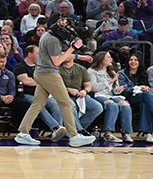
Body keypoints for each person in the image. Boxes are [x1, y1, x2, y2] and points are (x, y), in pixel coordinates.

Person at [14, 18, 97, 147]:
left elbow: (57, 55)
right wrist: (72, 49)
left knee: (37, 104)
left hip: (41, 72)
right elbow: (57, 61)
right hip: (49, 73)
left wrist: (77, 56)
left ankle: (23, 133)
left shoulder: (49, 35)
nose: (69, 31)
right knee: (65, 103)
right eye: (68, 27)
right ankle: (74, 136)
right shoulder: (52, 40)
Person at [13, 44, 66, 139]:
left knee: (56, 105)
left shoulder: (41, 66)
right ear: (30, 54)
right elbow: (26, 81)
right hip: (27, 94)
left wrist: (38, 81)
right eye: (38, 53)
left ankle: (58, 132)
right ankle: (55, 127)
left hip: (44, 93)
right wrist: (43, 81)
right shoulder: (20, 66)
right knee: (39, 106)